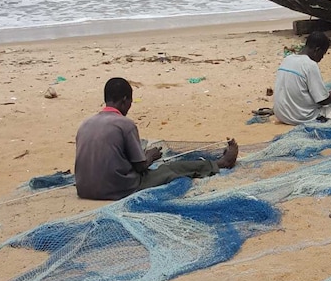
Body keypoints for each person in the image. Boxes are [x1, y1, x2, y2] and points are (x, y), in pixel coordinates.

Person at [75, 77, 238, 200]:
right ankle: (220, 164)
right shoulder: (125, 124)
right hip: (118, 189)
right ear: (125, 100)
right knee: (172, 168)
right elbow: (140, 168)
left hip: (84, 190)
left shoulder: (85, 124)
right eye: (130, 101)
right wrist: (150, 156)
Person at [273, 31, 331, 125]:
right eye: (322, 54)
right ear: (317, 50)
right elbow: (323, 100)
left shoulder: (288, 59)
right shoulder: (310, 65)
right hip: (299, 117)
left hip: (281, 114)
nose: (322, 57)